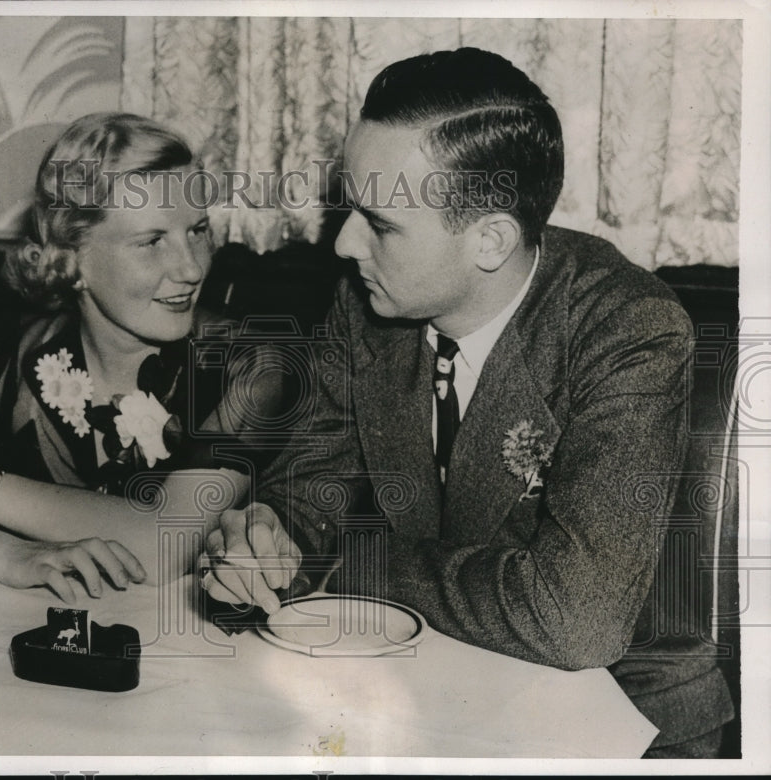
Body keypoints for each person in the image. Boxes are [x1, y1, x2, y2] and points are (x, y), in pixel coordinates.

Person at [198, 48, 734, 757]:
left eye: (380, 224)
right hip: (430, 688)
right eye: (348, 207)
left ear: (490, 240)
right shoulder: (365, 306)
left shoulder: (627, 327)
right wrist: (260, 543)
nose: (343, 243)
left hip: (623, 718)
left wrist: (362, 563)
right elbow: (306, 505)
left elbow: (578, 621)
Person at [0, 112, 286, 601]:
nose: (191, 267)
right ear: (71, 259)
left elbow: (162, 546)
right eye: (152, 242)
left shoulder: (248, 365)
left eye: (197, 231)